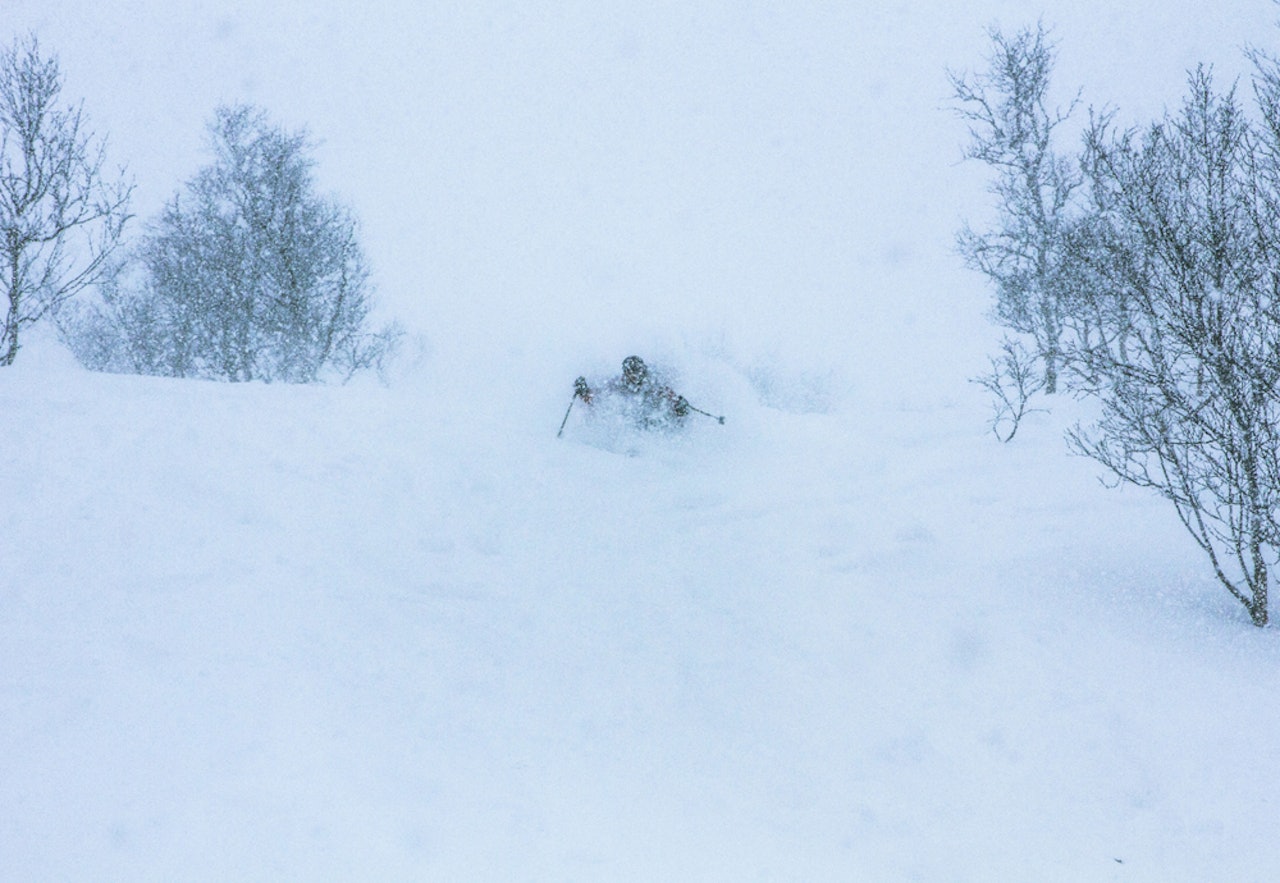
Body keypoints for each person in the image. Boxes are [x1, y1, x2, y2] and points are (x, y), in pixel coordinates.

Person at [574, 355, 690, 430]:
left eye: (637, 372)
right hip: (636, 421)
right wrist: (583, 391)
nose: (634, 376)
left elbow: (671, 396)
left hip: (655, 417)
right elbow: (596, 396)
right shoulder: (619, 383)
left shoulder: (653, 382)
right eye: (629, 373)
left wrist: (679, 405)